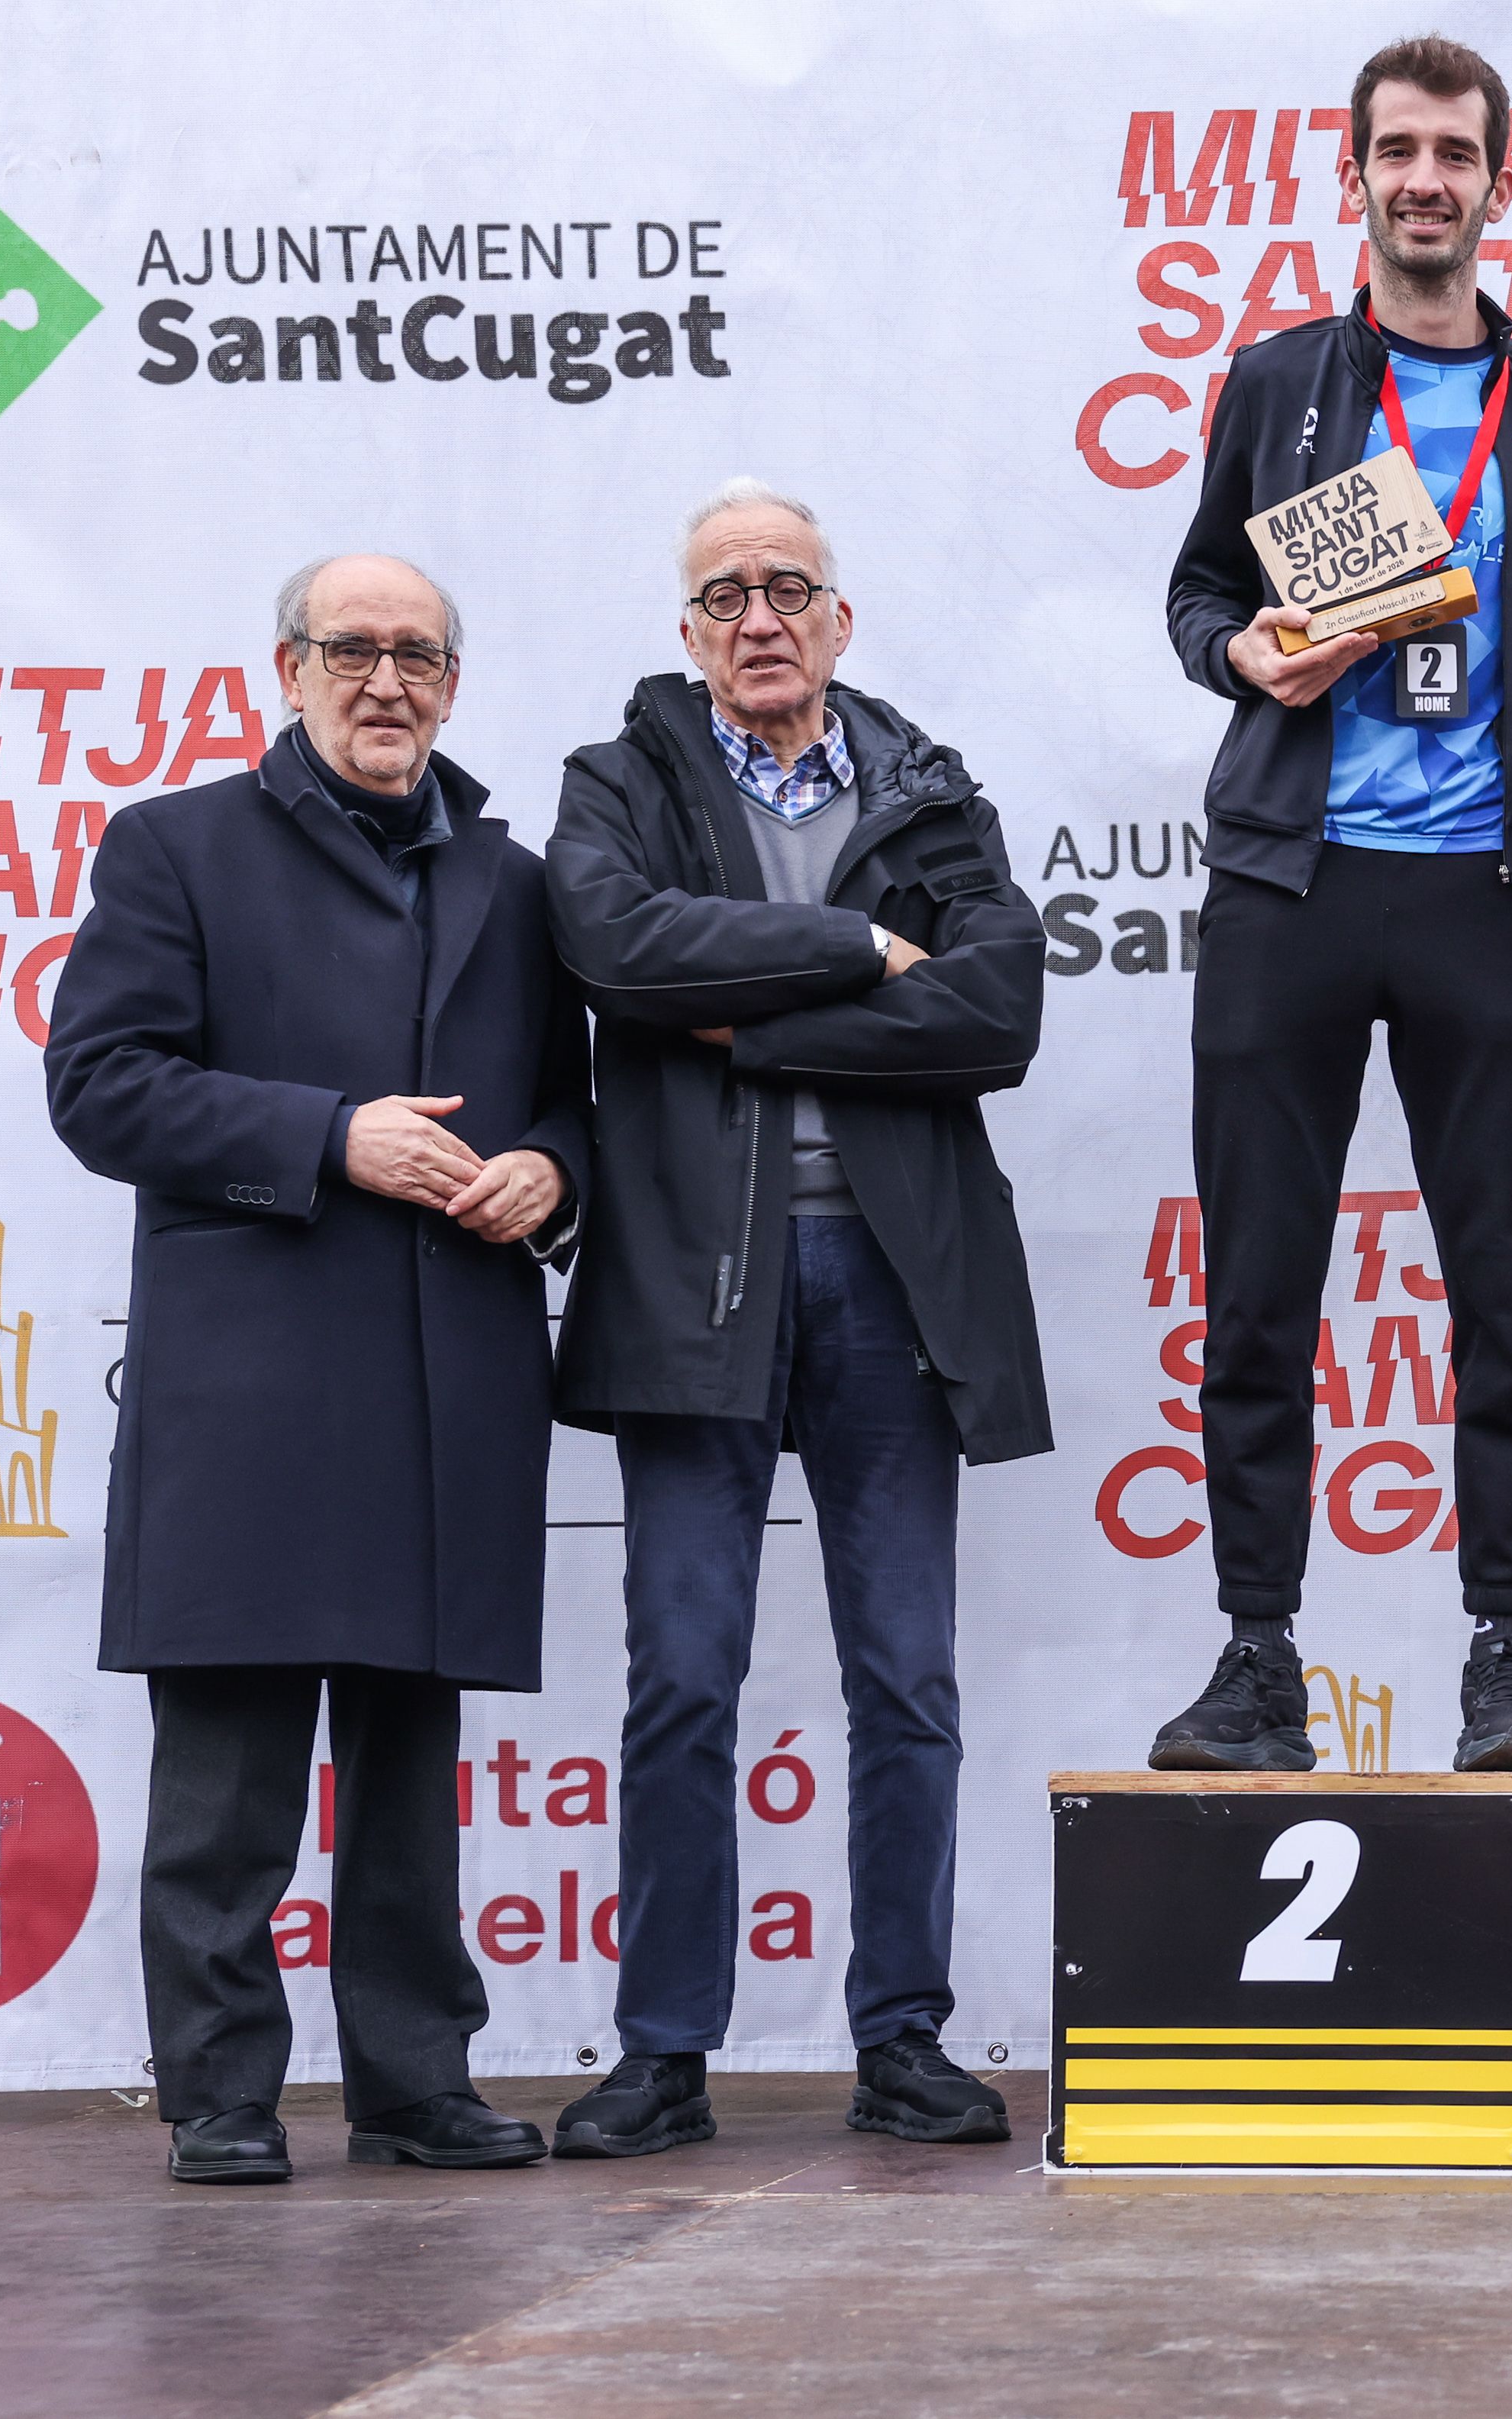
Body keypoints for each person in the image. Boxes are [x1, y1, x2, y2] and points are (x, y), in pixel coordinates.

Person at [45, 554, 588, 2185]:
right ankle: (219, 2093)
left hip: (449, 1373)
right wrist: (325, 1134)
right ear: (286, 667)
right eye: (351, 649)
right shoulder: (175, 846)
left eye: (417, 654)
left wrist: (554, 1175)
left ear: (453, 682)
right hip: (258, 1380)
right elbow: (102, 1087)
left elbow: (568, 1105)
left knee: (413, 1775)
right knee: (225, 1775)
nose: (386, 681)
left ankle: (416, 2086)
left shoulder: (516, 876)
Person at [543, 484, 1052, 2159]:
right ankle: (664, 2051)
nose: (759, 617)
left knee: (905, 1678)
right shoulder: (616, 785)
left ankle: (902, 2038)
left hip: (894, 1292)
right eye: (723, 594)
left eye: (790, 589)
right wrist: (847, 947)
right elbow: (619, 950)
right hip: (700, 1283)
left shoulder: (933, 790)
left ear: (843, 620)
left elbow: (991, 1015)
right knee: (681, 1679)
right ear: (687, 633)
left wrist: (748, 1028)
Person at [1153, 34, 1512, 1774]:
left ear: (1500, 181)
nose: (1426, 178)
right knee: (1261, 1284)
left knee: (1503, 1291)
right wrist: (1240, 648)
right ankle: (1257, 1656)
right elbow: (1198, 591)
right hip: (1295, 880)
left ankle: (1505, 1655)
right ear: (1353, 177)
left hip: (1487, 880)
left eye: (1456, 152)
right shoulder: (1276, 381)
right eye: (1395, 150)